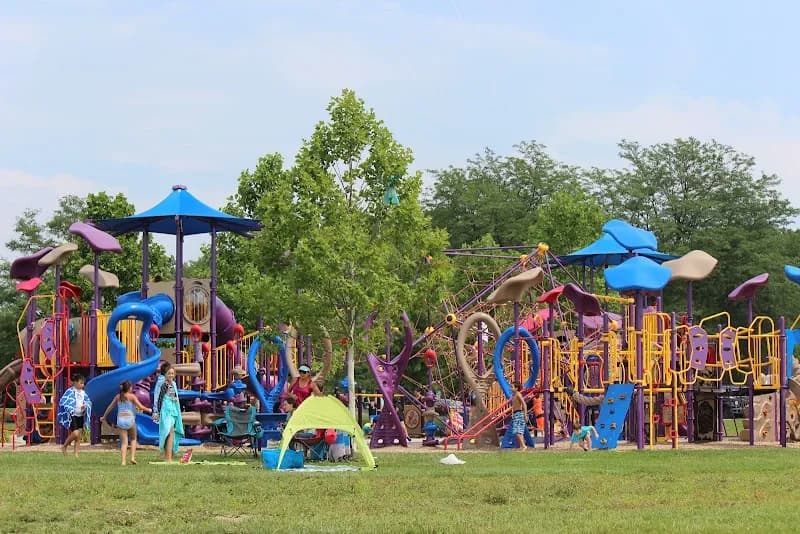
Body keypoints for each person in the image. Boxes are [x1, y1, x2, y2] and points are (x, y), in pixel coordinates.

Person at [100, 380, 152, 465]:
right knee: (133, 439)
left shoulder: (118, 397)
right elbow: (140, 406)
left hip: (121, 420)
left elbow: (110, 407)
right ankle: (132, 458)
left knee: (124, 442)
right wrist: (148, 410)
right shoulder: (132, 397)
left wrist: (104, 416)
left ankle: (123, 461)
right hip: (130, 419)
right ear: (129, 388)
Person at [152, 366, 185, 463]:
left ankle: (168, 455)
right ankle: (168, 458)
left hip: (173, 411)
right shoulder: (164, 385)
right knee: (169, 432)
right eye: (169, 373)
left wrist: (174, 400)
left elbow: (173, 396)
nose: (171, 375)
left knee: (170, 433)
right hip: (166, 411)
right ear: (165, 375)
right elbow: (160, 399)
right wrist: (157, 412)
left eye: (172, 373)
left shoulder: (173, 384)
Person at [57, 374, 91, 457]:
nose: (82, 385)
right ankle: (64, 446)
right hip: (73, 415)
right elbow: (64, 400)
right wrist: (70, 408)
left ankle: (76, 453)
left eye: (83, 383)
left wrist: (86, 405)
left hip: (81, 415)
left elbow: (88, 401)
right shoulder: (70, 391)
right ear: (75, 383)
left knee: (78, 436)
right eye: (81, 383)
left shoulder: (83, 393)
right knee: (75, 433)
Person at [510, 382, 527, 451]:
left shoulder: (518, 394)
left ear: (516, 388)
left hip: (519, 413)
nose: (510, 388)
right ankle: (521, 446)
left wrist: (525, 414)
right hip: (516, 414)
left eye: (512, 387)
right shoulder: (514, 395)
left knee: (517, 431)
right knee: (520, 431)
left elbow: (524, 404)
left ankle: (523, 445)